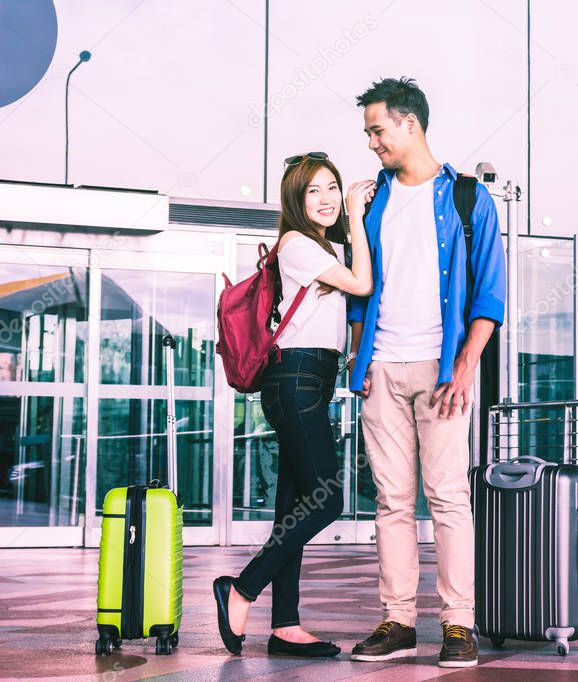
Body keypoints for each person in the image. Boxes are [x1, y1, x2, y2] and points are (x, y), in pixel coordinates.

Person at [346, 77, 506, 669]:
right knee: (391, 500)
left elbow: (490, 293)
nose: (370, 142)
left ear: (409, 123)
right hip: (381, 367)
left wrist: (465, 366)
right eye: (368, 131)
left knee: (448, 498)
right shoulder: (373, 200)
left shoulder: (468, 198)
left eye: (376, 129)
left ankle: (458, 624)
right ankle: (398, 622)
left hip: (443, 371)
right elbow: (359, 288)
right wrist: (359, 354)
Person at [213, 153, 375, 657]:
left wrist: (353, 359)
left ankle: (284, 625)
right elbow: (364, 284)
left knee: (293, 506)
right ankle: (241, 589)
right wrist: (355, 210)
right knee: (327, 499)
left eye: (333, 188)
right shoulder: (298, 244)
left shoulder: (319, 246)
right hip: (296, 380)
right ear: (295, 201)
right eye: (315, 192)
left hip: (310, 380)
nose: (326, 199)